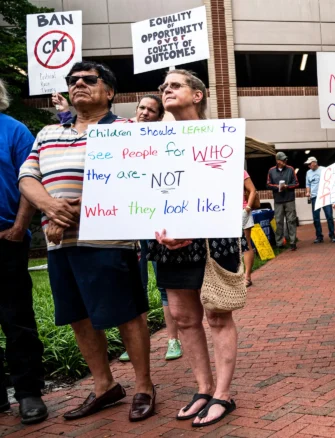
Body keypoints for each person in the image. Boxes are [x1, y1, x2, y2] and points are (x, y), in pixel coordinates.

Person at [19, 61, 155, 421]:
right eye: (73, 80)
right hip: (59, 244)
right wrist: (49, 206)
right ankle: (104, 386)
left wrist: (67, 216)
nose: (78, 84)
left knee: (128, 313)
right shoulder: (48, 132)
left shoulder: (127, 131)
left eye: (88, 80)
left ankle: (144, 386)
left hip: (109, 241)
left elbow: (133, 180)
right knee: (79, 317)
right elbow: (27, 178)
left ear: (109, 92)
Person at [52, 93, 183, 363]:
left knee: (163, 284)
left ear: (159, 118)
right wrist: (65, 112)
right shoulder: (121, 133)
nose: (145, 112)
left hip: (157, 224)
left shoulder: (162, 142)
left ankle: (172, 340)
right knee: (138, 285)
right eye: (142, 108)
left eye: (151, 110)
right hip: (129, 228)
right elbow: (88, 143)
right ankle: (134, 343)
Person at [149, 69, 240, 427]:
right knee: (184, 318)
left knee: (218, 314)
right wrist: (159, 230)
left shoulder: (222, 135)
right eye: (163, 87)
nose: (166, 90)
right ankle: (202, 389)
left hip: (212, 240)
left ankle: (223, 394)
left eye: (174, 85)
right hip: (169, 243)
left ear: (197, 95)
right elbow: (146, 192)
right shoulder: (152, 140)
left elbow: (230, 191)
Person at [0, 79, 47, 425]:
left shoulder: (15, 131)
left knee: (16, 319)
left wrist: (19, 229)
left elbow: (30, 182)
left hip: (6, 239)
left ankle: (28, 393)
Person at [267, 152, 299, 251]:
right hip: (278, 200)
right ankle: (279, 243)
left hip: (289, 199)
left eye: (285, 159)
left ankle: (293, 242)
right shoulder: (271, 171)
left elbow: (296, 183)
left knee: (291, 221)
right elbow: (268, 184)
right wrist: (277, 187)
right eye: (283, 160)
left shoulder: (291, 169)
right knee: (278, 221)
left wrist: (287, 186)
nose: (285, 161)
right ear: (278, 161)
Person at [305, 156, 335, 243]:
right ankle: (319, 236)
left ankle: (332, 235)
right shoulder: (308, 173)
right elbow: (308, 184)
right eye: (308, 164)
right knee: (316, 218)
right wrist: (308, 192)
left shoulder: (324, 169)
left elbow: (330, 180)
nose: (309, 166)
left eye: (310, 164)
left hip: (325, 196)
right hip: (315, 197)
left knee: (329, 216)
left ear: (315, 162)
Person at [243, 170, 257, 287]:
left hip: (242, 211)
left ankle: (247, 276)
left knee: (246, 243)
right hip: (223, 212)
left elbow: (252, 190)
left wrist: (247, 208)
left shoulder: (241, 172)